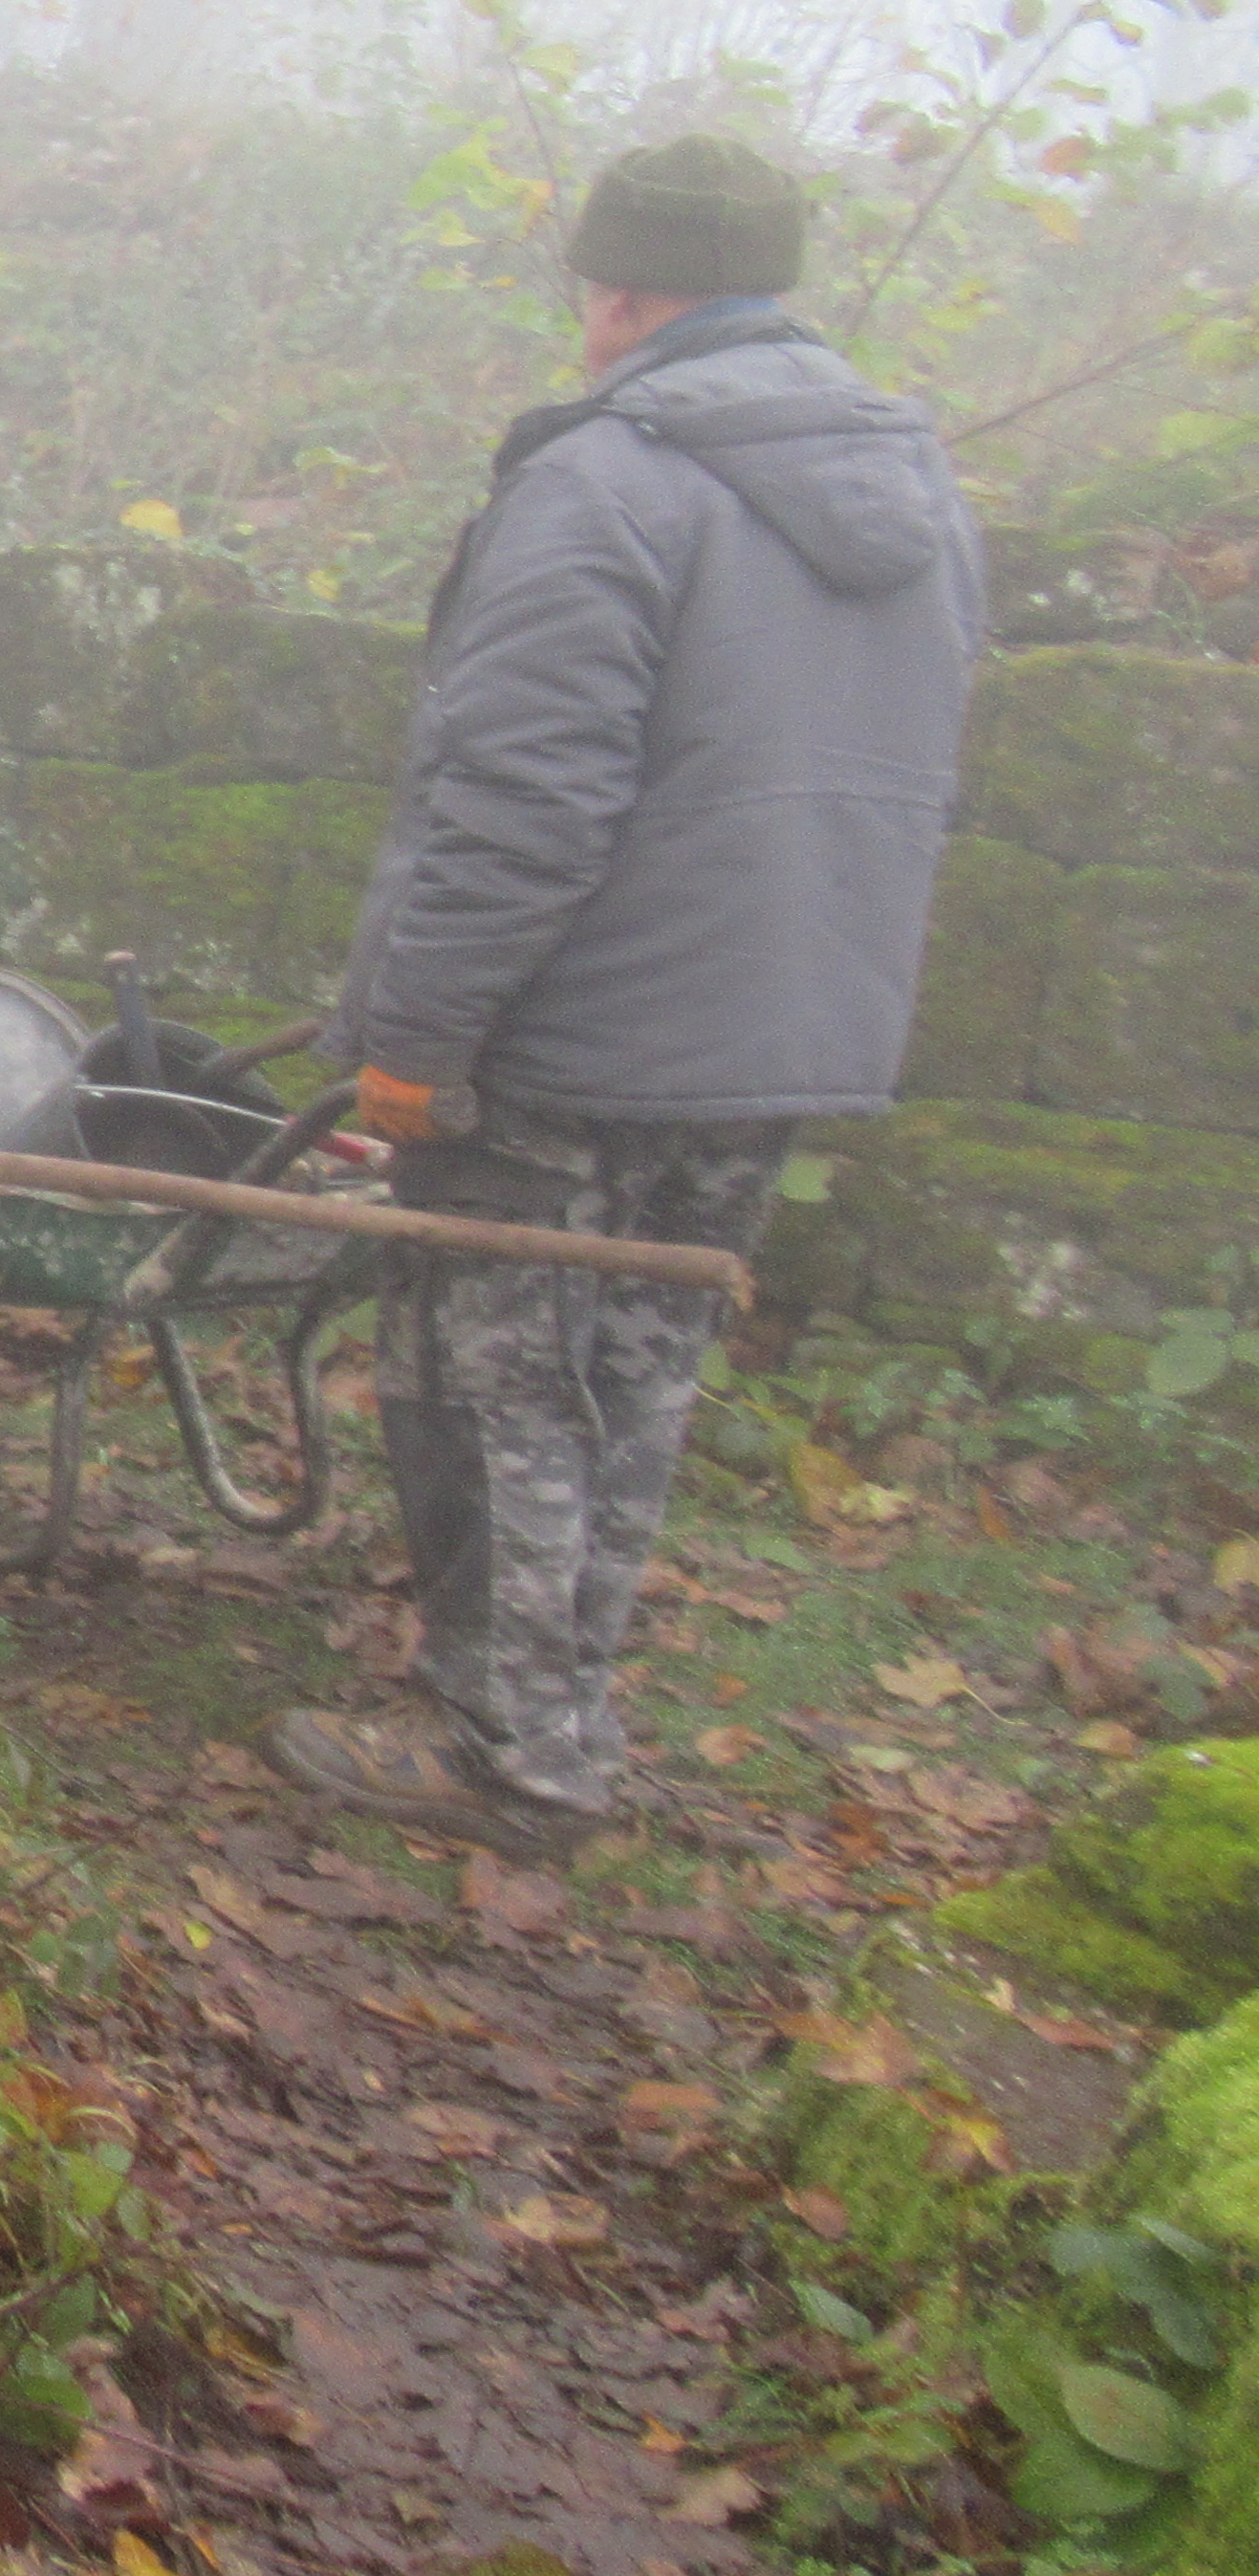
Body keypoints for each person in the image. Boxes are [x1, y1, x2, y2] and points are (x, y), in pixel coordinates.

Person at [264, 133, 986, 1862]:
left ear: (620, 295)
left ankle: (514, 1758)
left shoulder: (605, 484)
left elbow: (521, 800)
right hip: (775, 1037)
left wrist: (418, 1038)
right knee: (636, 1383)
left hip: (573, 1040)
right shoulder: (913, 494)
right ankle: (553, 1700)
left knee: (493, 1382)